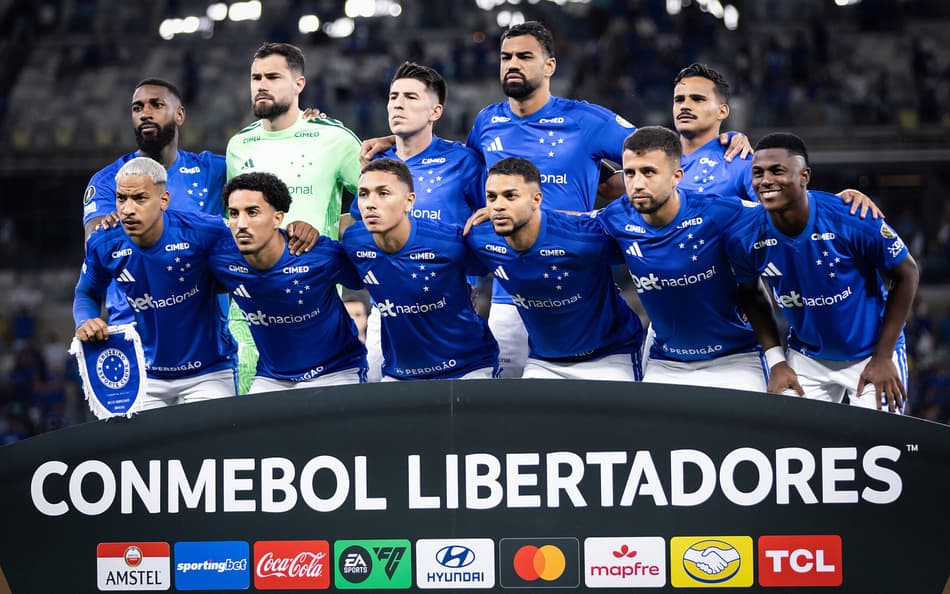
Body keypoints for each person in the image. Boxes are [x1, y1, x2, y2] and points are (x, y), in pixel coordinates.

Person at [726, 133, 919, 412]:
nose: (765, 180)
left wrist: (884, 355)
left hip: (870, 354)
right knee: (788, 445)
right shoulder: (745, 236)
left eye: (777, 170)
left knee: (880, 445)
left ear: (804, 176)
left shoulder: (851, 216)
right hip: (806, 358)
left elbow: (907, 273)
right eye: (758, 173)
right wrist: (776, 360)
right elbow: (751, 294)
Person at [596, 127, 792, 392]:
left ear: (677, 175)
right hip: (666, 364)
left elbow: (788, 214)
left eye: (648, 172)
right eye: (630, 173)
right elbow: (561, 227)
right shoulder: (615, 218)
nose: (637, 183)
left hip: (735, 360)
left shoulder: (719, 212)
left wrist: (840, 205)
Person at [74, 157, 237, 409]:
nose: (127, 209)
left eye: (139, 198)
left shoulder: (204, 231)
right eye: (121, 199)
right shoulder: (105, 243)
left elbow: (251, 268)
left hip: (209, 370)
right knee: (142, 450)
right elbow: (86, 293)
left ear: (164, 200)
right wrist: (85, 319)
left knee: (212, 448)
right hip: (143, 371)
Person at [466, 157, 643, 379]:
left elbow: (637, 234)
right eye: (492, 197)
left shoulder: (582, 238)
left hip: (610, 357)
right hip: (543, 362)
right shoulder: (479, 238)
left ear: (536, 199)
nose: (499, 205)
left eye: (510, 196)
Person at [82, 78, 227, 326]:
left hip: (205, 337)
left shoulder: (213, 170)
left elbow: (271, 177)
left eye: (156, 105)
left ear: (179, 114)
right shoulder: (109, 181)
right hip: (134, 332)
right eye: (137, 108)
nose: (145, 113)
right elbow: (96, 246)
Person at [342, 159, 499, 381]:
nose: (370, 203)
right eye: (363, 194)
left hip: (467, 369)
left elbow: (499, 261)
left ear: (409, 201)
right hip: (400, 375)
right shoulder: (354, 241)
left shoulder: (448, 241)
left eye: (383, 193)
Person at [210, 172, 367, 392]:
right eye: (234, 213)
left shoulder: (318, 253)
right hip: (272, 377)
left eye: (252, 212)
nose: (241, 223)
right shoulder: (221, 260)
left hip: (336, 371)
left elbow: (369, 280)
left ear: (278, 218)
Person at [226, 42, 361, 239]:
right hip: (254, 268)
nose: (261, 86)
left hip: (316, 266)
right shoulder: (238, 144)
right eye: (256, 78)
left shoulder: (335, 138)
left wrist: (345, 229)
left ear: (299, 84)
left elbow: (383, 194)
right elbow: (233, 215)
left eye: (273, 77)